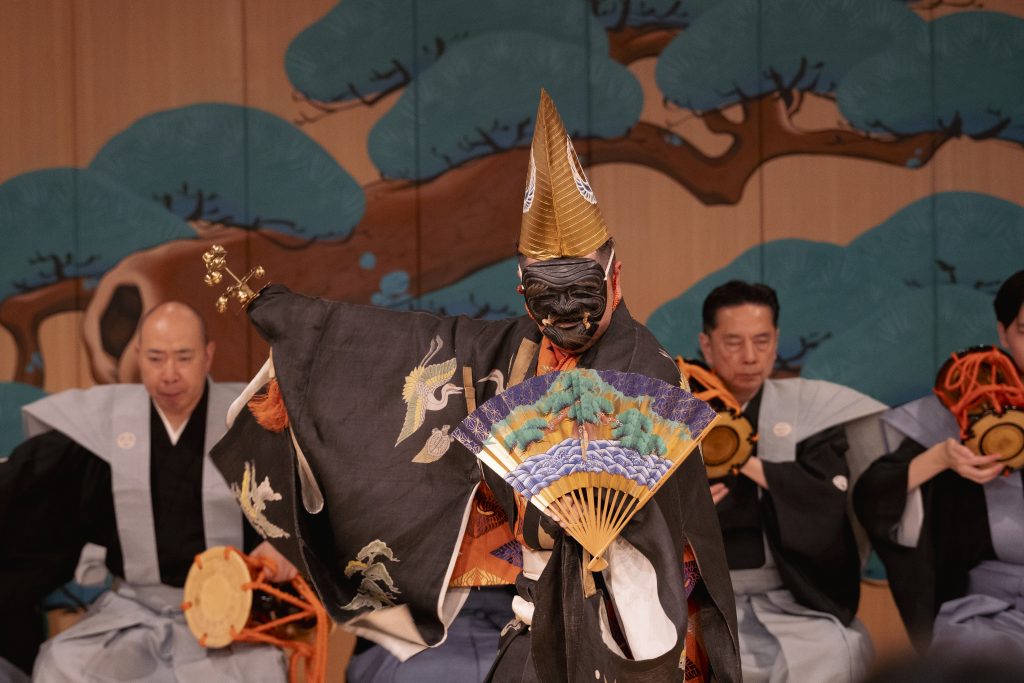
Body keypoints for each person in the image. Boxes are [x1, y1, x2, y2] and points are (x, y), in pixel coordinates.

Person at [211, 90, 741, 682]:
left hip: (629, 625)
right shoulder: (519, 349)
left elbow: (644, 545)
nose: (566, 310)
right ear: (521, 288)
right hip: (534, 613)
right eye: (546, 294)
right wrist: (304, 331)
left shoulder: (643, 372)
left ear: (615, 276)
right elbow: (405, 345)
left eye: (582, 289)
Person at [0, 302, 291, 682]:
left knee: (261, 672)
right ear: (138, 356)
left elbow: (310, 501)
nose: (169, 374)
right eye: (155, 358)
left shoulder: (251, 419)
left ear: (207, 355)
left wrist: (284, 546)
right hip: (133, 611)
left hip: (233, 616)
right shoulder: (104, 423)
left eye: (183, 357)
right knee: (62, 664)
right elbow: (27, 482)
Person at [694, 280, 886, 683]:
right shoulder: (673, 411)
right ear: (707, 345)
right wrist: (689, 511)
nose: (750, 356)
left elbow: (825, 497)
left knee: (837, 650)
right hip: (699, 594)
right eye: (734, 342)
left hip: (791, 595)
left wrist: (745, 461)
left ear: (777, 341)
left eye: (762, 341)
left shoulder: (810, 411)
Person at [853, 269, 1024, 660]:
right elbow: (873, 493)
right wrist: (941, 457)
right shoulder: (965, 405)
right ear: (1003, 333)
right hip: (990, 607)